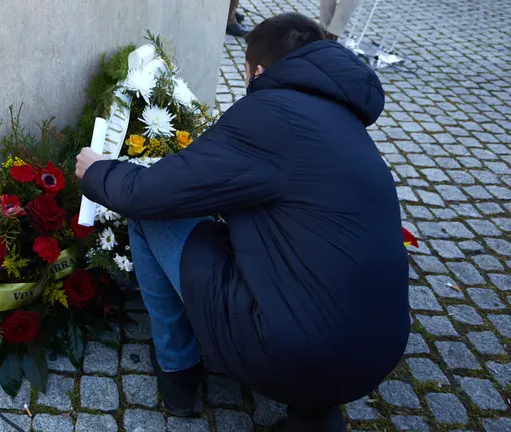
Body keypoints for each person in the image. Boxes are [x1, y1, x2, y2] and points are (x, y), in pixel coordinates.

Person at [76, 12, 409, 432]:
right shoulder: (345, 120)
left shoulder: (270, 114)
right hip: (379, 351)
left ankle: (178, 371)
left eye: (246, 72)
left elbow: (149, 193)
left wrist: (98, 172)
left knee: (149, 218)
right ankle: (315, 413)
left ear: (259, 71)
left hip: (292, 353)